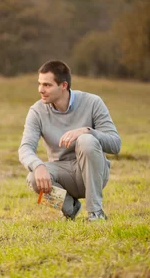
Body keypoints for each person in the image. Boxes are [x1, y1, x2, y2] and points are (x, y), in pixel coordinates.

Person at [18, 60, 121, 221]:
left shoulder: (93, 102)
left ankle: (96, 212)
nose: (41, 90)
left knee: (86, 140)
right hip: (63, 173)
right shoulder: (37, 111)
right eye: (39, 84)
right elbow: (25, 148)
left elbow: (115, 145)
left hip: (94, 173)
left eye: (47, 85)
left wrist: (87, 131)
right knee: (33, 179)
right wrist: (38, 166)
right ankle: (70, 208)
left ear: (63, 85)